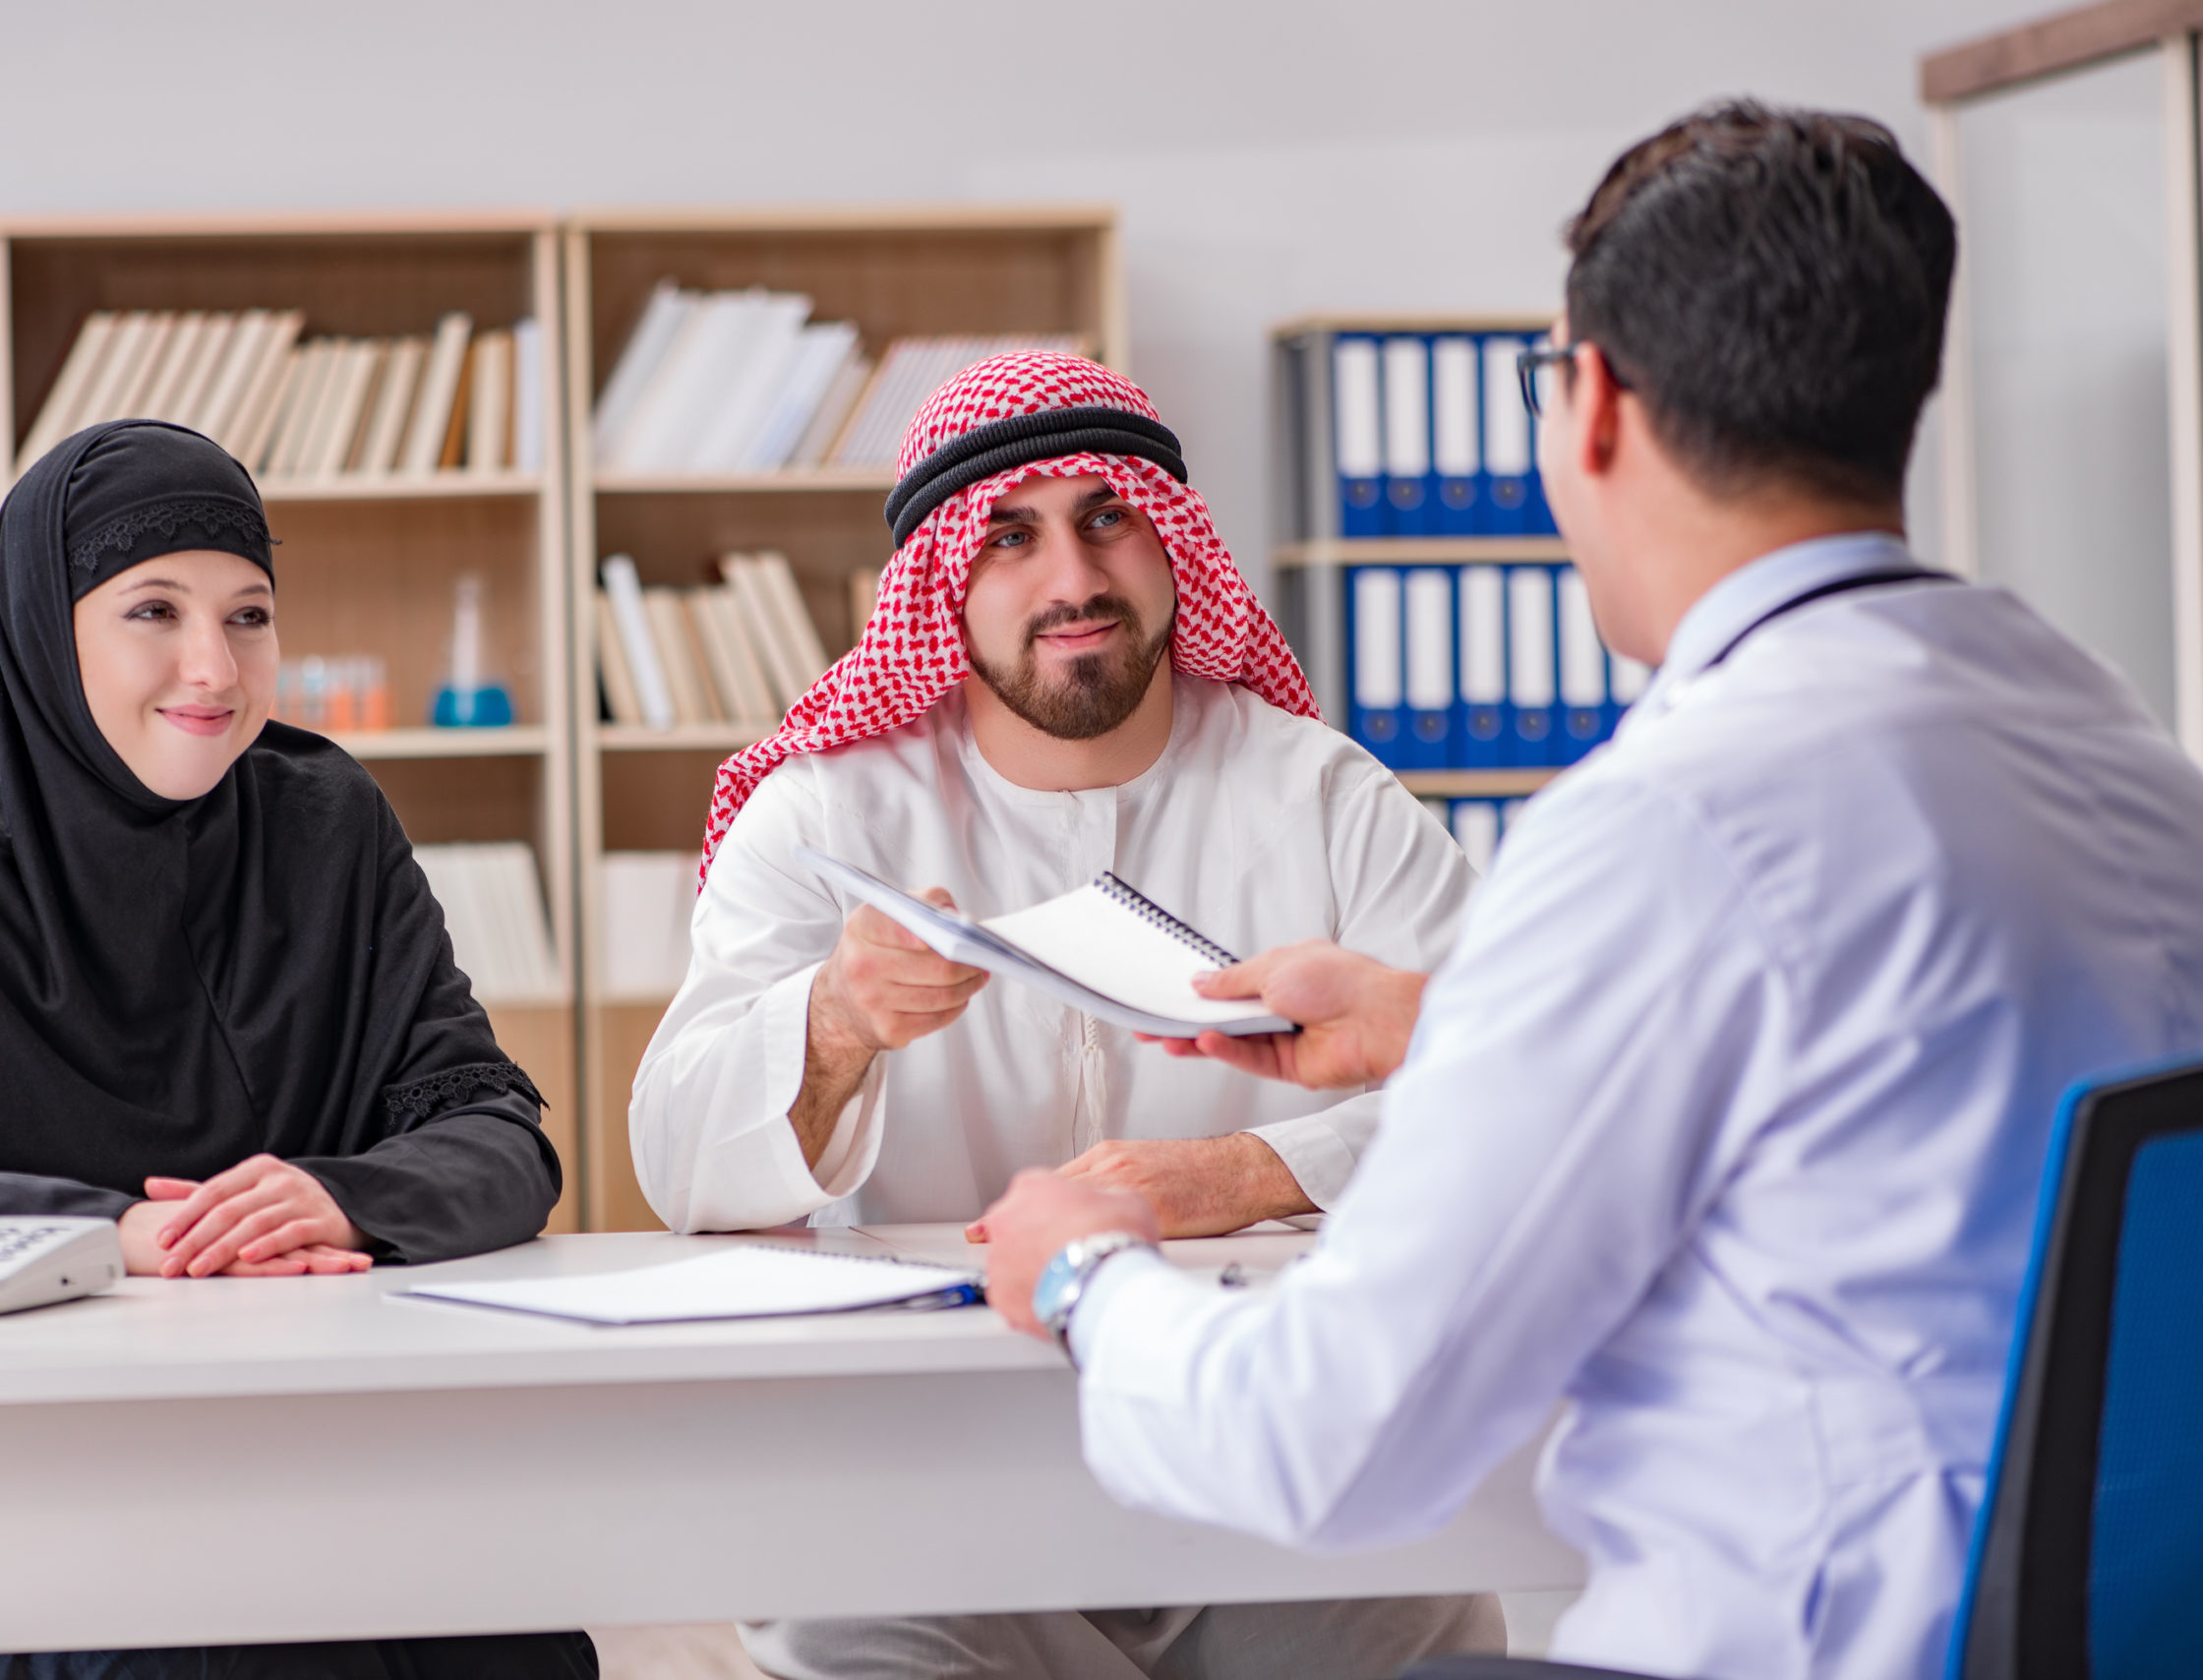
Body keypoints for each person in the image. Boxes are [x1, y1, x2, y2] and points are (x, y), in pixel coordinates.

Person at [976, 101, 2203, 1680]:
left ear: (1597, 402)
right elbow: (1898, 1070)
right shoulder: (2120, 751)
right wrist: (1456, 1025)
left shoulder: (1672, 825)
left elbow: (1335, 1442)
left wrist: (1084, 1274)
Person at [630, 352, 1501, 1677]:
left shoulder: (1325, 797)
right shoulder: (823, 813)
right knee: (833, 1618)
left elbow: (1512, 1103)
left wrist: (1242, 1175)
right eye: (1010, 537)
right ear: (937, 582)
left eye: (1108, 519)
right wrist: (831, 1023)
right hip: (930, 1488)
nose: (1073, 582)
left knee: (1424, 1601)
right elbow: (675, 1162)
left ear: (1170, 543)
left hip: (1262, 1462)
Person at [0, 420, 595, 1680]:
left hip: (329, 1437)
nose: (213, 666)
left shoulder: (326, 822)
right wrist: (114, 1235)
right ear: (47, 628)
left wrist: (344, 1194)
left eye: (251, 613)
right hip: (50, 1474)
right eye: (152, 610)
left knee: (507, 1626)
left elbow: (497, 1131)